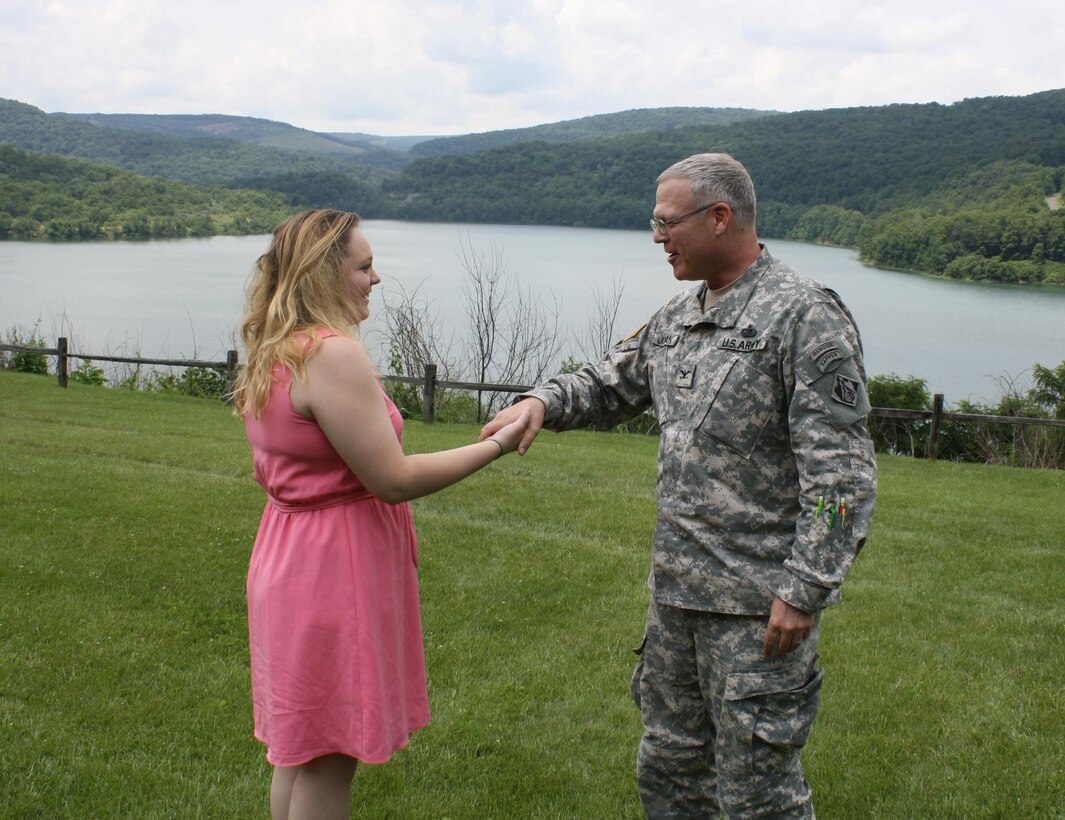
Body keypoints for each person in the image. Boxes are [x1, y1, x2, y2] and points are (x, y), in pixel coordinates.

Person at [481, 153, 877, 818]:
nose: (656, 236)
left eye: (666, 222)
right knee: (668, 775)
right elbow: (607, 382)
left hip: (758, 615)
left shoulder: (802, 317)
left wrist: (804, 587)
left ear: (718, 218)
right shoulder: (677, 317)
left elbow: (841, 474)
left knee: (759, 798)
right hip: (675, 605)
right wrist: (542, 402)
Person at [232, 209, 529, 820]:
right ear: (325, 274)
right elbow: (392, 479)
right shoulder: (332, 355)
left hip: (290, 557)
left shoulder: (274, 347)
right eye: (364, 266)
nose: (376, 279)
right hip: (332, 572)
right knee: (329, 759)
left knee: (301, 754)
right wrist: (496, 444)